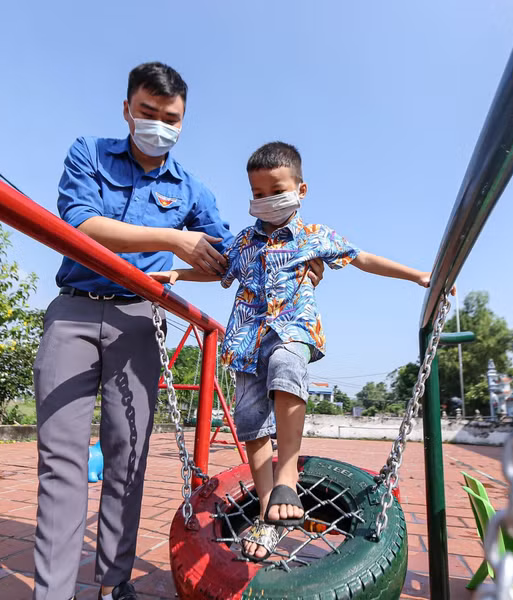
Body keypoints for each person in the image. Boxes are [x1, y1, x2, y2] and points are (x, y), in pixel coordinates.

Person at [34, 63, 325, 600]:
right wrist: (172, 237)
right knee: (62, 461)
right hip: (73, 311)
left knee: (128, 457)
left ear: (182, 122)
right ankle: (51, 591)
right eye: (148, 113)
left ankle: (113, 584)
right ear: (127, 109)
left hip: (138, 320)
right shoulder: (88, 153)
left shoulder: (193, 189)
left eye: (170, 119)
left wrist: (293, 257)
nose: (158, 125)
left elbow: (231, 255)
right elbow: (79, 225)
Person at [151, 141, 454, 561]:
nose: (265, 200)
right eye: (257, 194)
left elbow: (362, 258)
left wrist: (419, 275)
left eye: (275, 190)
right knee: (251, 422)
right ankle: (266, 512)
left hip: (291, 329)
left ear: (300, 190)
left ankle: (288, 475)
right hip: (245, 340)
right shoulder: (243, 241)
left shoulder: (315, 237)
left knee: (285, 364)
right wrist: (177, 273)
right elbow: (217, 270)